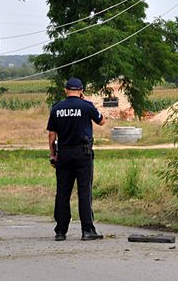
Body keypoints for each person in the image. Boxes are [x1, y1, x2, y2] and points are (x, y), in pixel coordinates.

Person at [47, 77, 107, 241]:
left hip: (64, 154)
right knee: (84, 191)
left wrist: (53, 154)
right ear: (81, 90)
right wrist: (86, 102)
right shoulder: (86, 106)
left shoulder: (56, 108)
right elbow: (102, 121)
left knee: (63, 192)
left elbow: (52, 134)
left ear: (66, 90)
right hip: (83, 153)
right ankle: (87, 230)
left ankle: (60, 231)